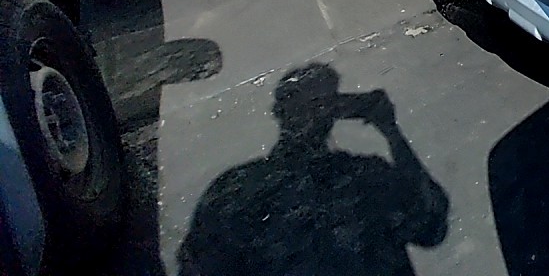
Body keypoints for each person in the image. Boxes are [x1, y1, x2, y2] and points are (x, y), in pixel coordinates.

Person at [177, 64, 449, 276]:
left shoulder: (234, 189)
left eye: (319, 104)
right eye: (310, 104)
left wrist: (392, 131)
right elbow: (430, 225)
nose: (312, 113)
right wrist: (390, 130)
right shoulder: (366, 176)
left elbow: (431, 226)